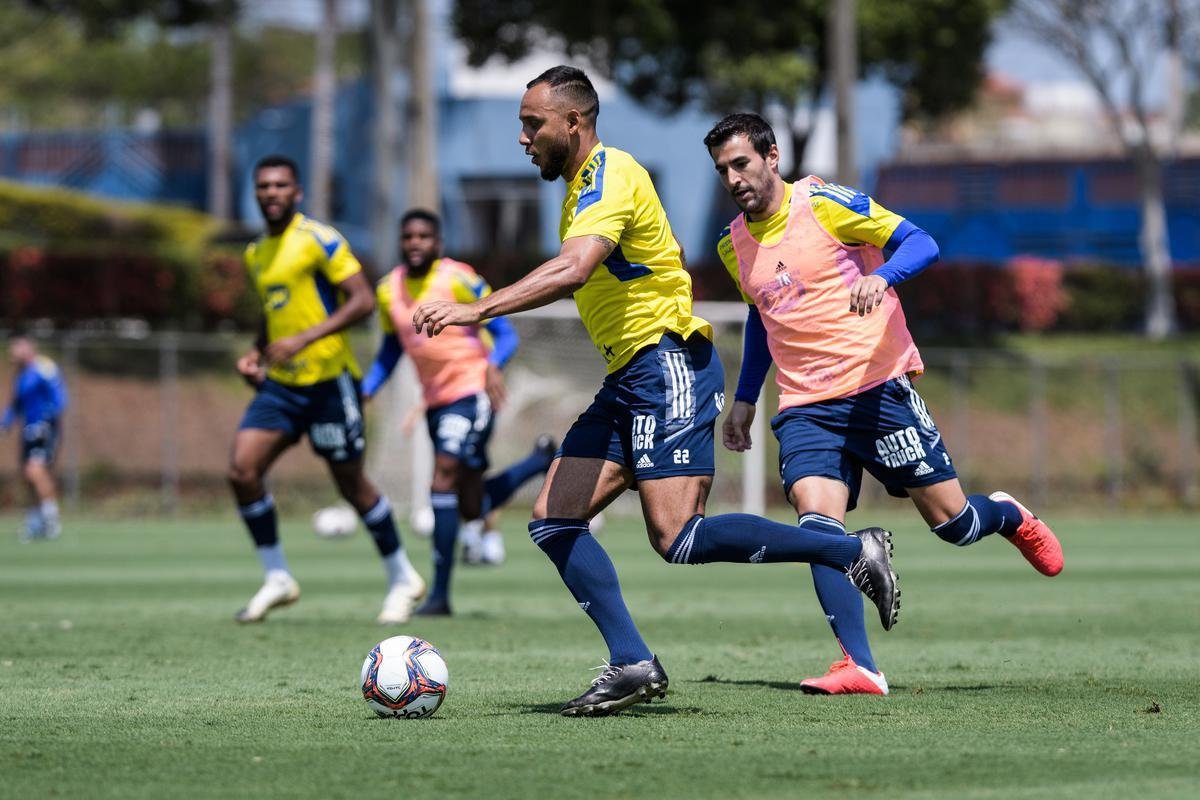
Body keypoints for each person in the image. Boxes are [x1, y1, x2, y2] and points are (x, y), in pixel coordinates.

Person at [412, 66, 899, 717]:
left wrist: (480, 310)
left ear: (574, 123)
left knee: (678, 538)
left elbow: (574, 267)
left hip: (668, 364)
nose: (522, 137)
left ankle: (852, 549)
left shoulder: (612, 175)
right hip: (630, 377)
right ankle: (632, 663)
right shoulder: (580, 186)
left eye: (533, 124)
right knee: (554, 519)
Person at [705, 113, 1064, 696]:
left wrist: (885, 277)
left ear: (772, 157)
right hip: (804, 406)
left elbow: (921, 241)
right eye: (722, 170)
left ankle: (1006, 514)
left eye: (741, 163)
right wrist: (745, 397)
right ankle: (859, 665)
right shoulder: (732, 244)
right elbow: (759, 314)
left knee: (954, 525)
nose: (733, 177)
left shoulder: (824, 204)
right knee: (819, 528)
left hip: (878, 390)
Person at [228, 154, 425, 625]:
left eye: (280, 186)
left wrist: (304, 339)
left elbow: (360, 301)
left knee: (351, 484)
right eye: (264, 187)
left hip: (329, 383)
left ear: (296, 193)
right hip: (283, 387)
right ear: (256, 194)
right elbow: (274, 313)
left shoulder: (319, 240)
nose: (271, 193)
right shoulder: (256, 254)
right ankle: (277, 577)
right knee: (242, 470)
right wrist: (258, 352)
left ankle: (403, 577)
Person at [362, 208, 556, 615]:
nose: (415, 243)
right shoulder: (387, 290)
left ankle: (439, 596)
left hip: (471, 392)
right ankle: (538, 461)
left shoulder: (458, 278)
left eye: (424, 236)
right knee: (471, 504)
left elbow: (504, 332)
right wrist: (367, 390)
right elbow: (392, 348)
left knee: (443, 478)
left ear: (438, 243)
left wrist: (493, 364)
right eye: (408, 236)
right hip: (435, 400)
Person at [2, 335, 67, 541]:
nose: (12, 353)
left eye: (16, 348)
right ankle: (35, 522)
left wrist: (46, 422)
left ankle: (51, 520)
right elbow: (16, 405)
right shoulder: (21, 375)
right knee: (28, 477)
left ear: (28, 348)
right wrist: (4, 424)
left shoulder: (44, 368)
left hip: (44, 429)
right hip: (28, 430)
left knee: (36, 471)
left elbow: (60, 398)